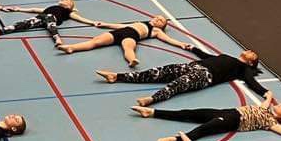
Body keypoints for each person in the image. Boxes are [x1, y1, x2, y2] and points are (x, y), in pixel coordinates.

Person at [97, 43, 263, 104]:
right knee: (157, 72)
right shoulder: (227, 57)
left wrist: (265, 93)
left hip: (205, 76)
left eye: (253, 54)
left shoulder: (243, 69)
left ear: (250, 62)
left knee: (177, 85)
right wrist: (193, 48)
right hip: (193, 66)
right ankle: (117, 76)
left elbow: (251, 82)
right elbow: (207, 56)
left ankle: (152, 99)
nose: (249, 51)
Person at [134, 93, 281, 141]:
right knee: (189, 113)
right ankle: (152, 112)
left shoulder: (271, 122)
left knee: (203, 129)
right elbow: (267, 100)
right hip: (227, 112)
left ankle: (175, 140)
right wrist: (269, 96)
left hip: (233, 121)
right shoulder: (264, 109)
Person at [54, 14, 191, 66]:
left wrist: (181, 44)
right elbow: (121, 26)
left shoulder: (156, 31)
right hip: (119, 32)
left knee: (129, 48)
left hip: (132, 36)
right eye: (156, 17)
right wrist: (105, 24)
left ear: (162, 26)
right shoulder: (140, 22)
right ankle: (71, 48)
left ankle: (132, 60)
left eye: (160, 20)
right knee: (96, 41)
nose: (157, 19)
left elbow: (168, 40)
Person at [0, 0, 102, 39]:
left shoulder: (67, 12)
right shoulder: (51, 7)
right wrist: (19, 9)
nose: (62, 0)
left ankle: (57, 38)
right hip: (41, 17)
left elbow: (79, 19)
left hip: (51, 18)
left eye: (66, 0)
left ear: (69, 6)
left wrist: (92, 22)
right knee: (23, 23)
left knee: (50, 22)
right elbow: (34, 10)